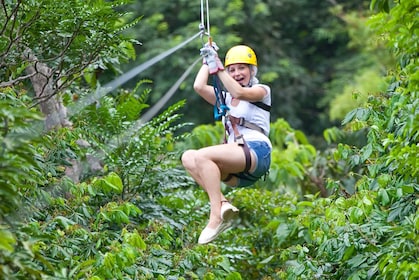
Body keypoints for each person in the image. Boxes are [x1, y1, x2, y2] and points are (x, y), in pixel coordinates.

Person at [181, 44, 272, 244]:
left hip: (257, 151)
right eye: (233, 69)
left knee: (203, 155)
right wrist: (207, 60)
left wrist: (219, 66)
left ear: (252, 70)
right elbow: (198, 86)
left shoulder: (262, 90)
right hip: (238, 171)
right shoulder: (226, 98)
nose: (237, 73)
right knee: (188, 156)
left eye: (242, 68)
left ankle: (216, 215)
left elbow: (239, 92)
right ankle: (222, 204)